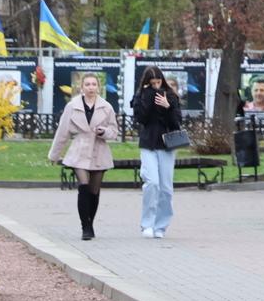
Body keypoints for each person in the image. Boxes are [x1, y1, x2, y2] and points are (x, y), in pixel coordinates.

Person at [48, 73, 119, 241]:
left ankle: (91, 223)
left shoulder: (106, 107)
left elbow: (114, 131)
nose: (91, 87)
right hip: (79, 150)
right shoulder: (72, 106)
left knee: (94, 191)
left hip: (99, 151)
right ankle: (85, 227)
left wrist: (105, 132)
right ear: (82, 87)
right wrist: (54, 154)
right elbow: (63, 132)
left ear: (98, 87)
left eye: (94, 84)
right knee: (84, 186)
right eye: (87, 84)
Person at [131, 65, 182, 239]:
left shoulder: (171, 96)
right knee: (152, 183)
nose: (156, 86)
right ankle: (147, 224)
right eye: (152, 83)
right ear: (146, 83)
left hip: (167, 145)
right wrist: (147, 98)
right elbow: (141, 119)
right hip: (148, 144)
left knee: (166, 188)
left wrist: (167, 107)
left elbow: (176, 123)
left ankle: (161, 225)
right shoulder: (140, 96)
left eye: (158, 82)